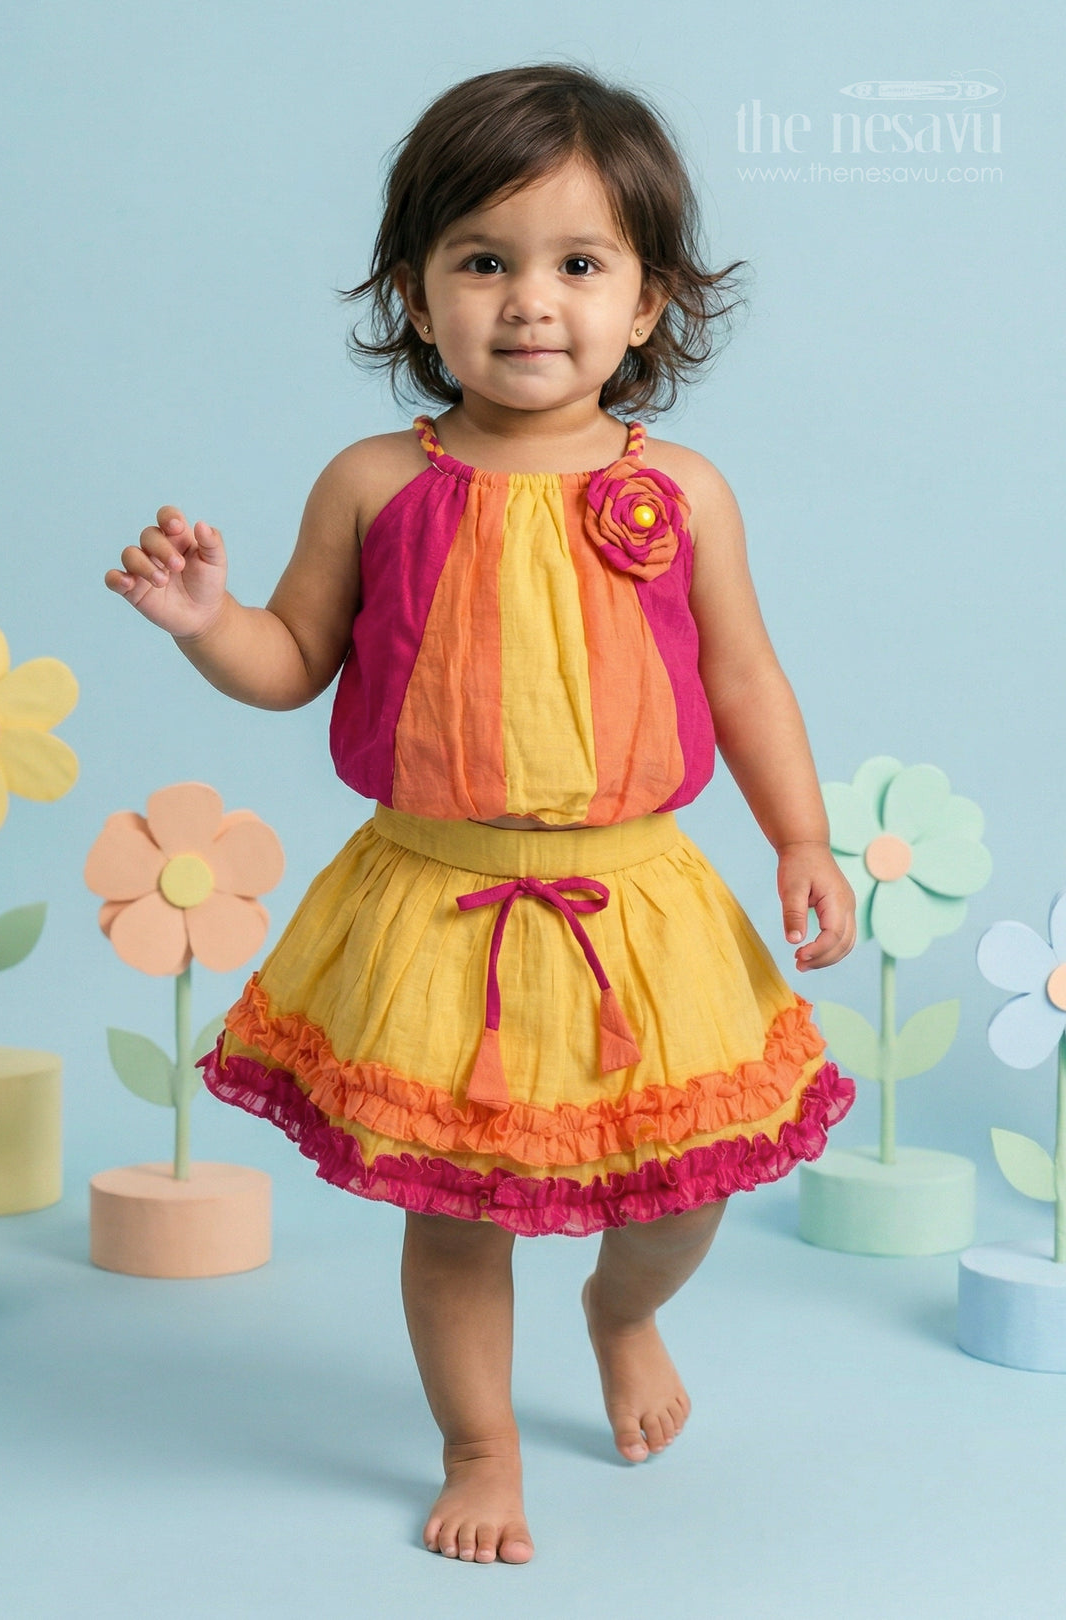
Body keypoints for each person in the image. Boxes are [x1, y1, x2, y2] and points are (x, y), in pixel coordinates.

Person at [105, 62, 857, 1566]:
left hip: (636, 903)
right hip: (436, 902)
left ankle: (622, 1314)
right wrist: (208, 623)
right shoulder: (374, 482)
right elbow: (292, 662)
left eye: (579, 264)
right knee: (456, 1211)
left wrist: (801, 836)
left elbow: (744, 675)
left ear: (647, 302)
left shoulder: (684, 491)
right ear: (415, 289)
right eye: (483, 261)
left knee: (681, 1191)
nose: (530, 303)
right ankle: (480, 1442)